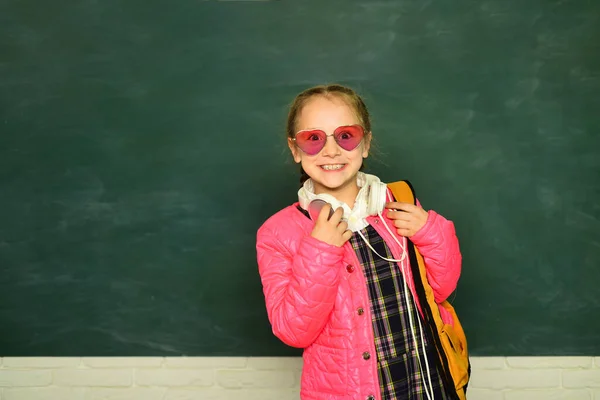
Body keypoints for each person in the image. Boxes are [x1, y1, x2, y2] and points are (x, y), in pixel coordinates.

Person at [256, 84, 462, 400]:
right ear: (295, 149)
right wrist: (321, 249)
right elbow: (294, 331)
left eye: (346, 136)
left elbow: (441, 289)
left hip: (424, 384)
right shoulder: (277, 233)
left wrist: (430, 230)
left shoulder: (399, 204)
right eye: (313, 139)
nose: (331, 150)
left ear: (365, 144)